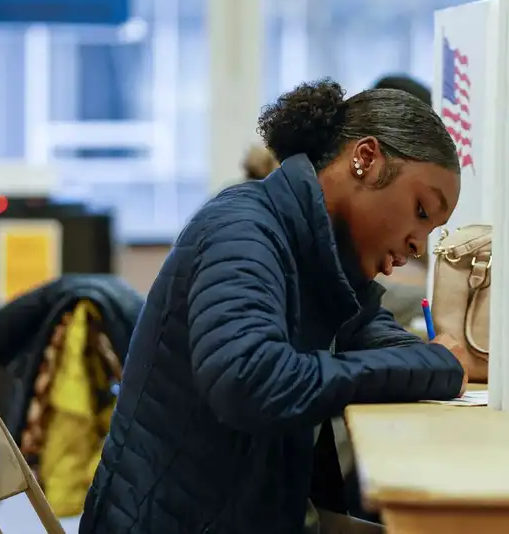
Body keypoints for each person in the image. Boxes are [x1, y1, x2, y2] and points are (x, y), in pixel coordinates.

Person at [79, 79, 470, 534]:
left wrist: (433, 362)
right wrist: (433, 365)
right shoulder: (243, 229)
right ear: (365, 159)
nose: (418, 246)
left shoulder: (318, 248)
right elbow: (250, 379)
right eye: (421, 211)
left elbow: (367, 328)